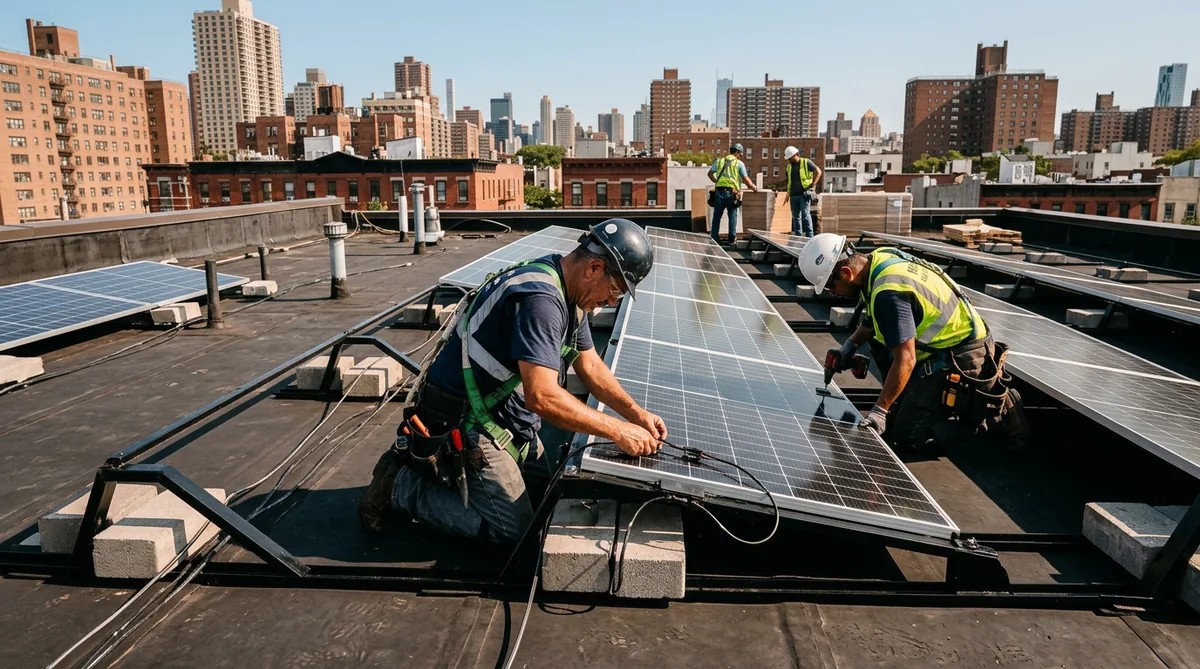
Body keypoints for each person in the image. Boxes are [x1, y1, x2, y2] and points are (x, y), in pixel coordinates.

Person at [358, 218, 669, 546]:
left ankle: (462, 482)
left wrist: (636, 415)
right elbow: (543, 397)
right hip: (468, 423)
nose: (612, 302)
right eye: (616, 290)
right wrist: (617, 431)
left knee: (550, 489)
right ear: (594, 268)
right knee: (514, 533)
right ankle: (400, 486)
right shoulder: (541, 301)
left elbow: (590, 365)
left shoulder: (566, 289)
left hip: (504, 417)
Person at [797, 233, 1029, 452]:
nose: (832, 294)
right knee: (881, 339)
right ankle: (911, 397)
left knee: (905, 438)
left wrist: (879, 412)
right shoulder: (879, 259)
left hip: (962, 357)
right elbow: (873, 319)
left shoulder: (888, 293)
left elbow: (906, 358)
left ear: (847, 273)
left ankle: (997, 413)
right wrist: (850, 346)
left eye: (831, 286)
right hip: (951, 343)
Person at [707, 143, 759, 244]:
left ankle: (714, 238)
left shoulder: (719, 161)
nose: (740, 156)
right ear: (738, 152)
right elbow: (745, 178)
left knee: (717, 216)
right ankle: (731, 240)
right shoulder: (738, 163)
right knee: (732, 215)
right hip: (731, 193)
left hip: (719, 192)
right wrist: (753, 187)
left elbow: (709, 173)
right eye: (740, 154)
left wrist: (717, 181)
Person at [783, 145, 822, 237]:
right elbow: (789, 182)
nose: (789, 160)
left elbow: (819, 171)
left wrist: (814, 184)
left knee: (805, 216)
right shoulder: (789, 167)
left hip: (804, 194)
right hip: (793, 195)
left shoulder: (806, 162)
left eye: (790, 158)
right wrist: (787, 195)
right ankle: (798, 236)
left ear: (795, 155)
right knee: (796, 217)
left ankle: (810, 237)